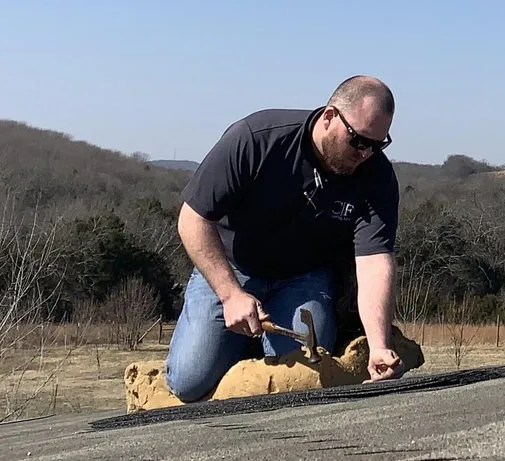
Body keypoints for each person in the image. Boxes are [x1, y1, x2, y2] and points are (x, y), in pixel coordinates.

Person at [165, 75, 403, 402]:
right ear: (330, 117)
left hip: (304, 278)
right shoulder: (256, 139)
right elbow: (192, 219)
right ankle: (235, 344)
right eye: (358, 141)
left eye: (378, 145)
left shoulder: (376, 176)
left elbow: (374, 262)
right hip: (234, 269)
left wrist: (378, 346)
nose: (365, 154)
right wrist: (230, 294)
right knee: (188, 382)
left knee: (304, 378)